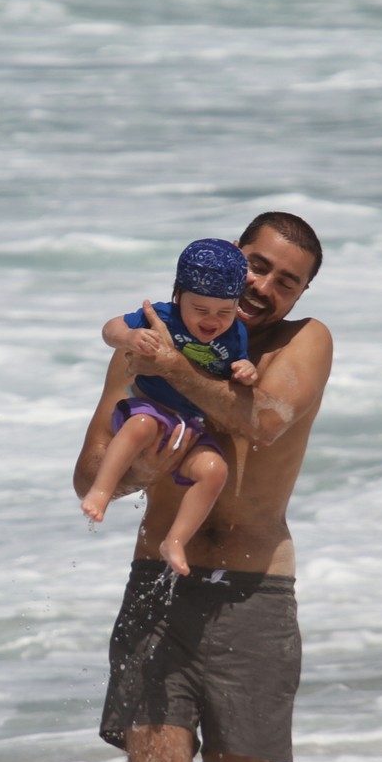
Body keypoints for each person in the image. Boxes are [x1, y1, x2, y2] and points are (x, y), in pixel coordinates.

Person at [72, 211, 332, 762]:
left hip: (255, 595)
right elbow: (90, 475)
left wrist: (177, 368)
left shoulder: (300, 341)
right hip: (163, 580)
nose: (265, 286)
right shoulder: (155, 330)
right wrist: (149, 457)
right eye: (257, 264)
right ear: (228, 258)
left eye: (287, 279)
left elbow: (268, 419)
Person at [81, 238, 259, 577]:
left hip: (191, 426)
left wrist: (247, 370)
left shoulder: (235, 333)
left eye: (224, 311)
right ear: (179, 296)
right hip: (147, 409)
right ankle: (101, 492)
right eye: (200, 310)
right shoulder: (162, 315)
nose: (212, 321)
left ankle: (175, 541)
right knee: (144, 427)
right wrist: (129, 339)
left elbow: (240, 364)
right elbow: (110, 329)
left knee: (213, 470)